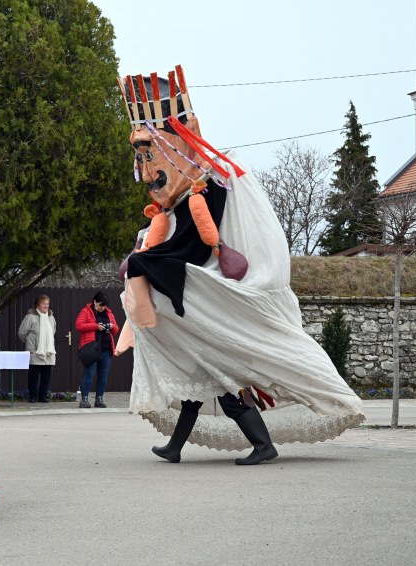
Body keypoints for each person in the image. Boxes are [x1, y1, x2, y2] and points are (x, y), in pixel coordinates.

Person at [117, 70, 363, 465]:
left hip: (210, 305)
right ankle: (176, 447)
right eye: (141, 156)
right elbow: (180, 244)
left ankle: (262, 445)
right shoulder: (181, 201)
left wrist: (142, 261)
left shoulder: (210, 187)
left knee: (219, 387)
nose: (146, 171)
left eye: (151, 153)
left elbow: (194, 249)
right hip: (200, 315)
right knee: (196, 387)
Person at [75, 292, 119, 409]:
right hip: (91, 348)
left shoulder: (108, 313)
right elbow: (79, 326)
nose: (103, 308)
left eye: (104, 306)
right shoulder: (86, 311)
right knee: (89, 373)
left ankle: (99, 398)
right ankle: (84, 399)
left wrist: (110, 326)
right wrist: (96, 326)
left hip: (106, 348)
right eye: (100, 305)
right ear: (94, 301)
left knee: (103, 375)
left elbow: (116, 330)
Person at [18, 295, 56, 403]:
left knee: (46, 375)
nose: (46, 306)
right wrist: (31, 343)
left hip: (48, 351)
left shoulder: (51, 317)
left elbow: (53, 331)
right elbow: (22, 333)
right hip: (34, 350)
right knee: (33, 375)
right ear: (37, 305)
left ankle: (42, 396)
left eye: (47, 304)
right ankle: (33, 396)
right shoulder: (30, 317)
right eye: (43, 303)